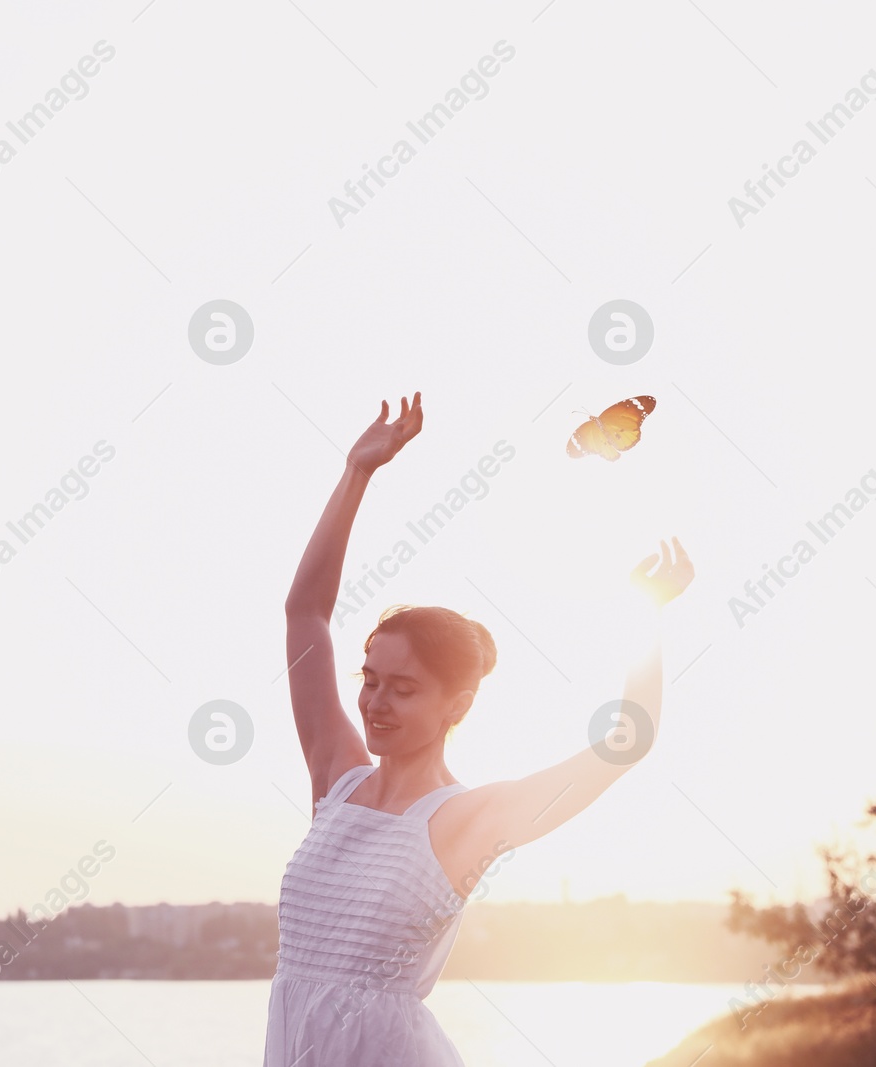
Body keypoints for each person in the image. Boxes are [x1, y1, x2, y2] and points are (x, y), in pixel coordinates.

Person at [263, 392, 694, 1065]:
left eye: (402, 689)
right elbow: (306, 614)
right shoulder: (336, 780)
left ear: (456, 705)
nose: (375, 701)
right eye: (369, 678)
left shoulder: (469, 817)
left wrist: (649, 615)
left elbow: (625, 743)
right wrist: (357, 471)